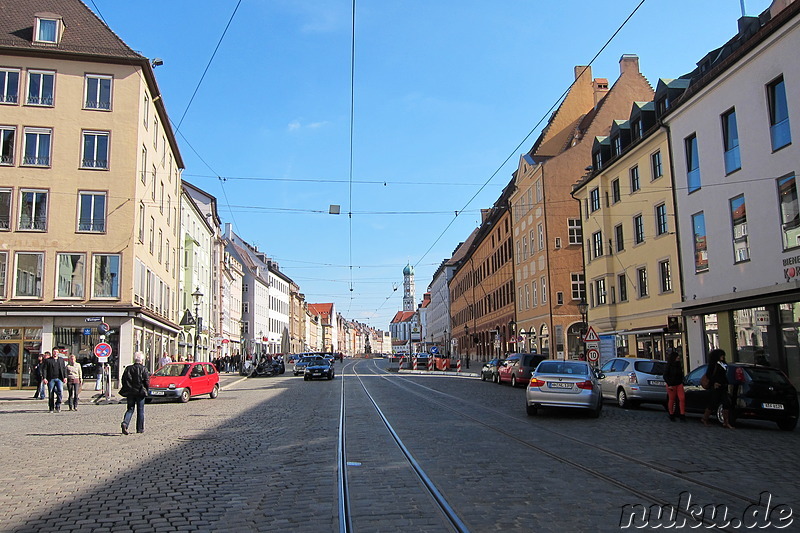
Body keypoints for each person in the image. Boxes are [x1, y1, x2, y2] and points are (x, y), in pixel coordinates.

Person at [702, 349, 734, 429]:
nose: (722, 357)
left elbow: (724, 374)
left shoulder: (724, 364)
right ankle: (705, 419)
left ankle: (726, 422)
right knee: (713, 403)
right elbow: (709, 375)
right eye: (721, 355)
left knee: (726, 403)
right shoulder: (713, 364)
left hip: (723, 386)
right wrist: (713, 383)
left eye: (723, 355)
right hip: (716, 386)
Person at [120, 352, 150, 434]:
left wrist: (127, 388)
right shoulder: (144, 369)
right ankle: (140, 429)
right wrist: (147, 390)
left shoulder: (128, 368)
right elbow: (147, 381)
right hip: (140, 392)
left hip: (130, 392)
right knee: (140, 411)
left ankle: (125, 423)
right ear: (142, 360)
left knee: (130, 409)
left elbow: (123, 379)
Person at [663, 351, 686, 422]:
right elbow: (665, 375)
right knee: (672, 399)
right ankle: (671, 414)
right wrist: (669, 384)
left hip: (679, 384)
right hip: (671, 385)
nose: (678, 357)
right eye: (677, 356)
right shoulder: (669, 365)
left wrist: (682, 381)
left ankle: (682, 414)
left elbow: (681, 374)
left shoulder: (678, 365)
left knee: (682, 398)